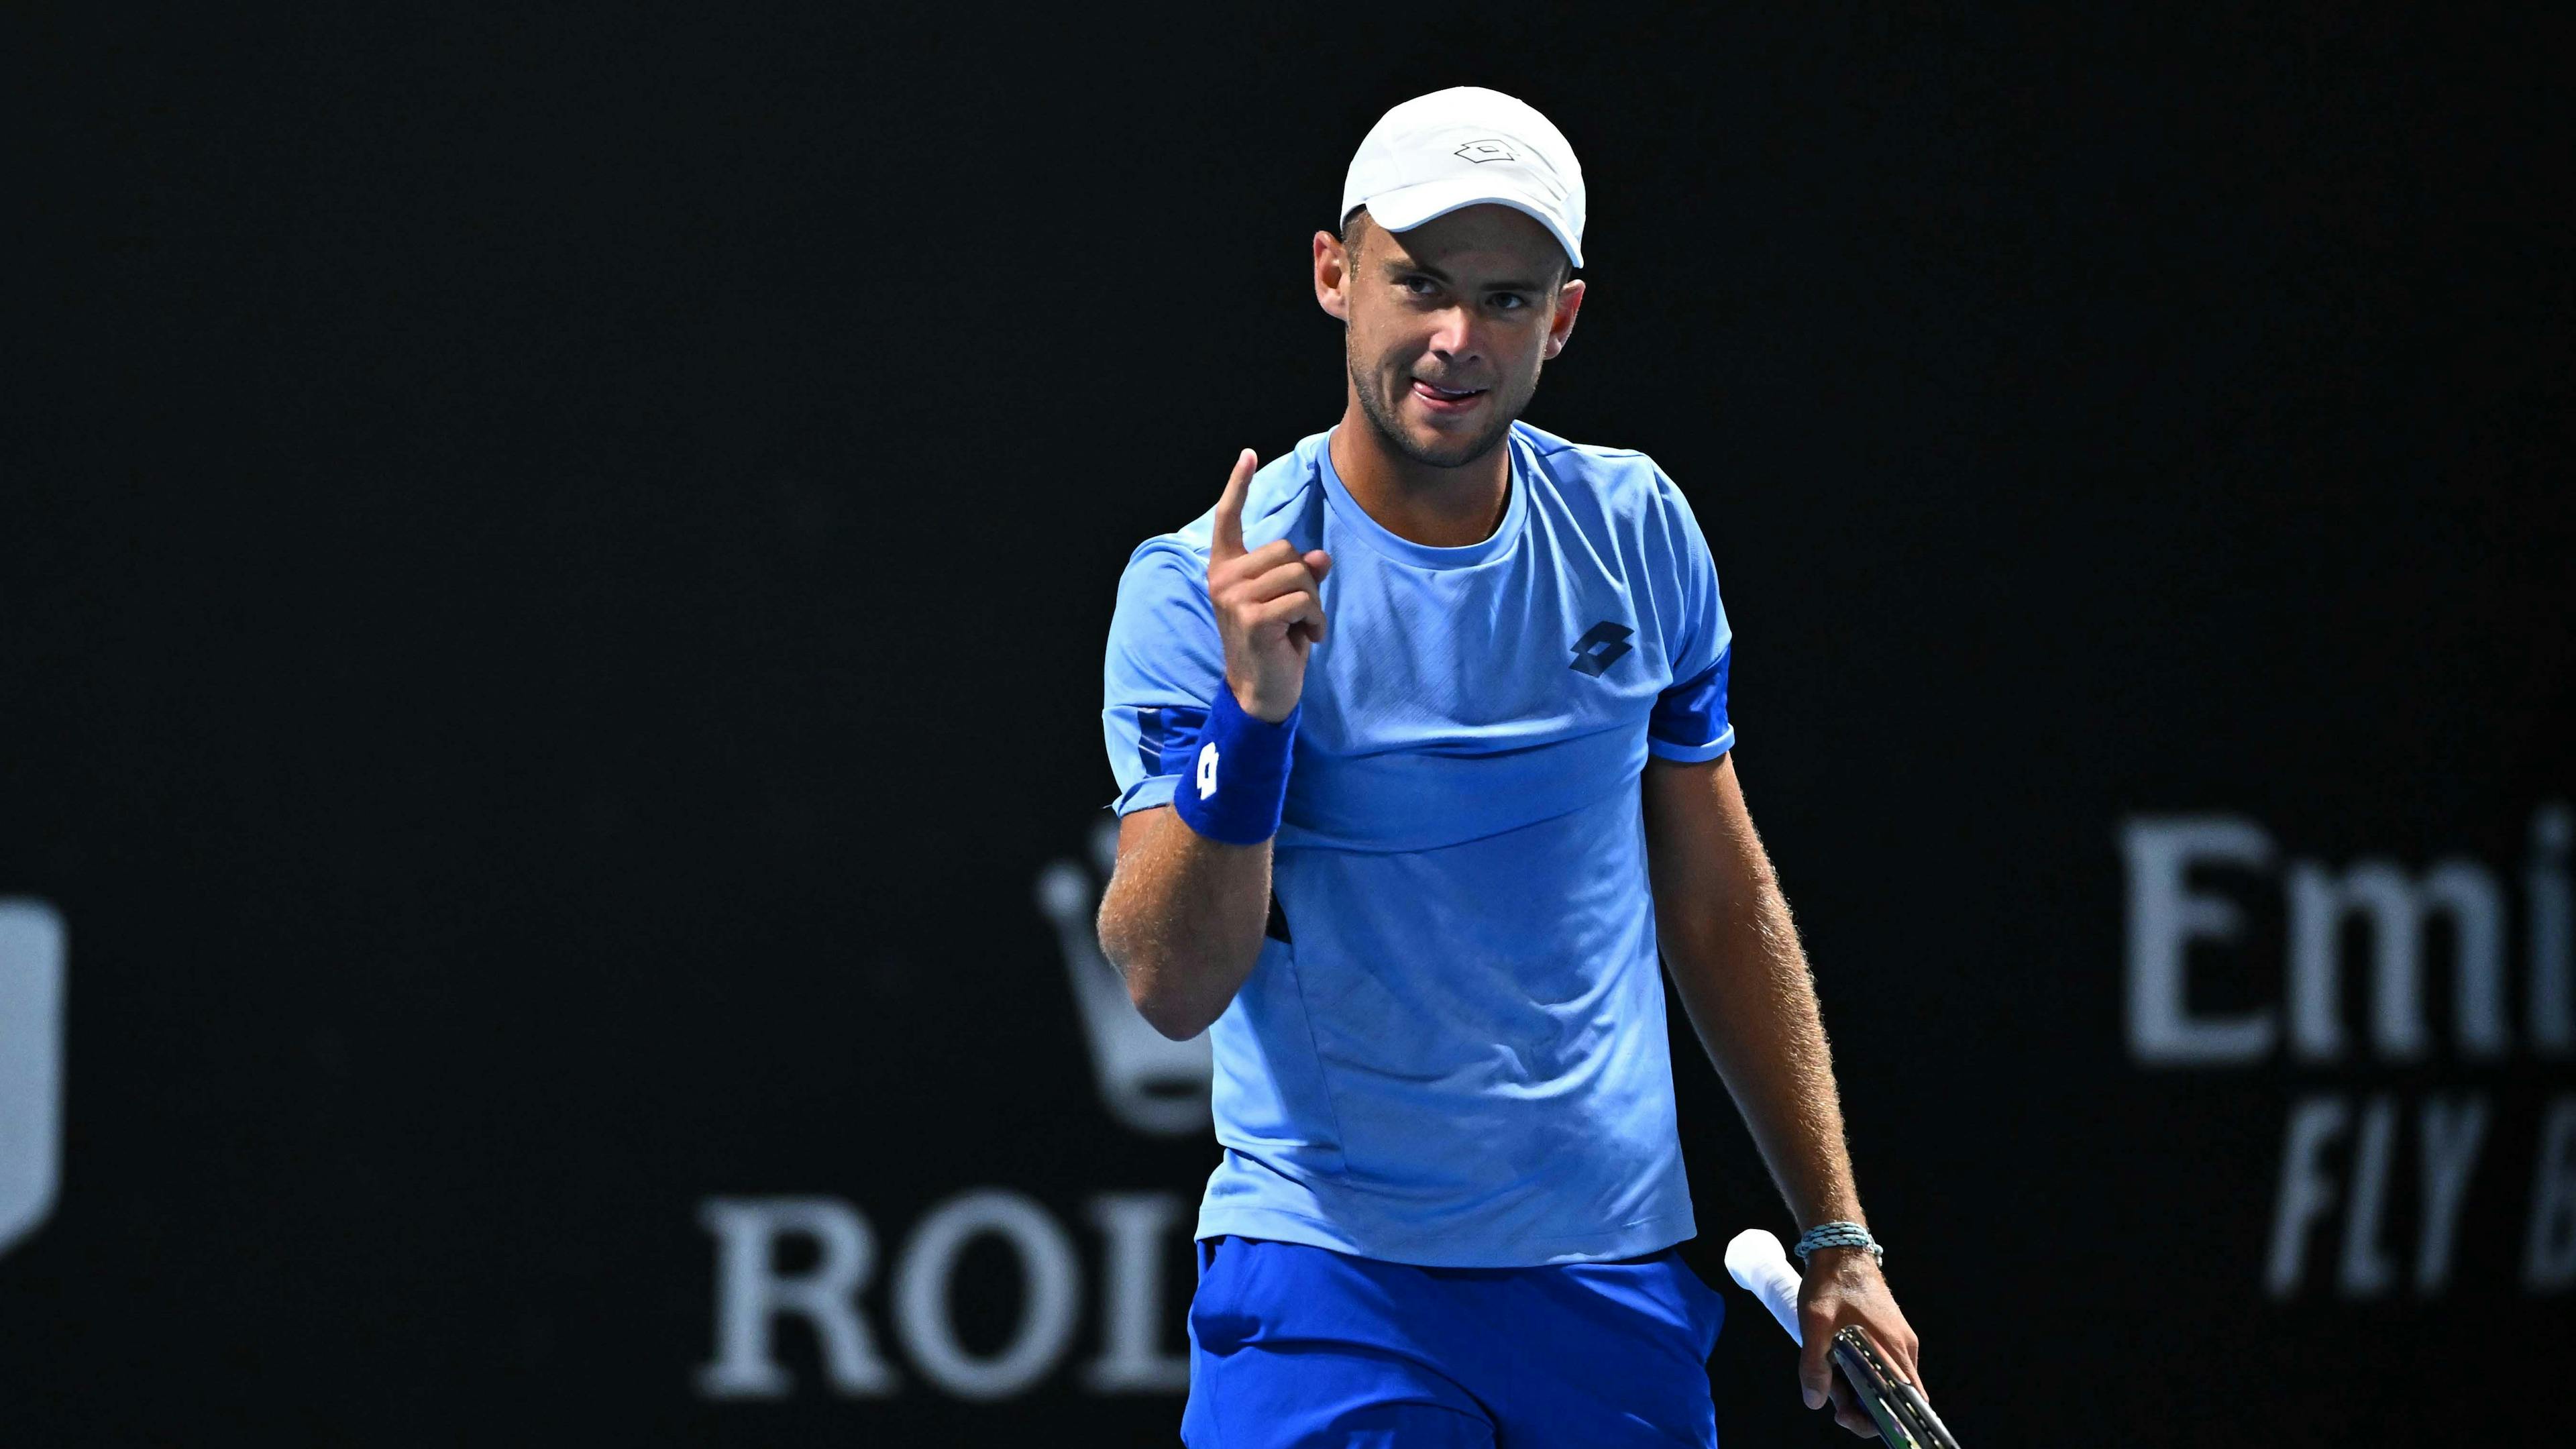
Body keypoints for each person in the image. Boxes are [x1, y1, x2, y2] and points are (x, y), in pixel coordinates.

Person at [1095, 87, 1925, 1446]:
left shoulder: (1639, 531)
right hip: (1328, 1279)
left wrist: (1839, 1232)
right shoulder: (1202, 589)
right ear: (1333, 275)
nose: (1453, 339)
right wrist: (1254, 723)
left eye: (1503, 297)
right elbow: (1167, 982)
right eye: (1417, 282)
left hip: (1611, 1284)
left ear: (1564, 318)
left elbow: (1720, 907)